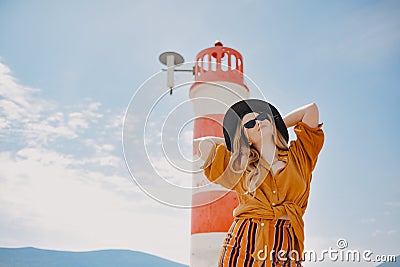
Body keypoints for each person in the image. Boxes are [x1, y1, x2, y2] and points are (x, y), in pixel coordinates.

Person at [195, 99, 324, 267]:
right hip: (244, 242)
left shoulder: (300, 156)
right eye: (249, 124)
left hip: (287, 244)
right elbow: (200, 145)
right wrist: (237, 144)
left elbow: (310, 110)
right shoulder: (240, 167)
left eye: (263, 116)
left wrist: (276, 124)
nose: (259, 122)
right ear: (245, 138)